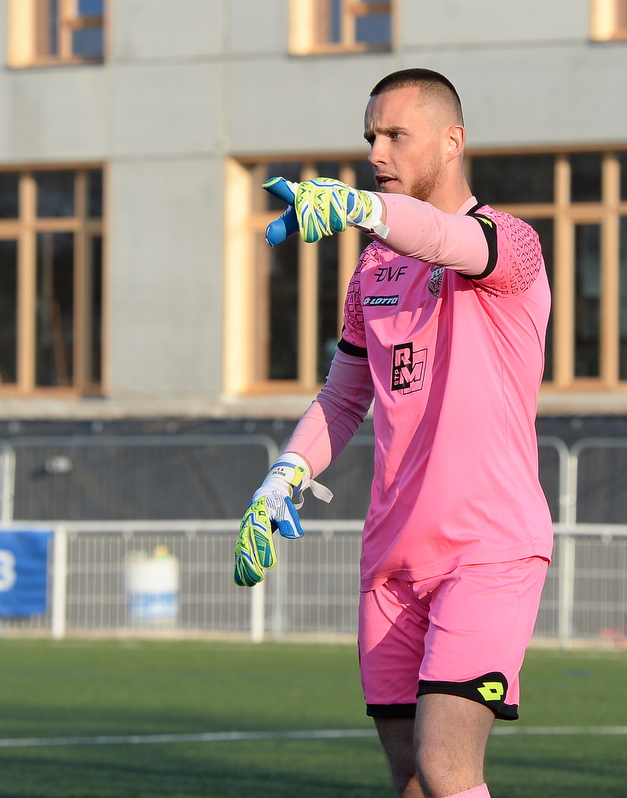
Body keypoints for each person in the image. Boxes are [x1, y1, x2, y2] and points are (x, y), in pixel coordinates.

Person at [234, 68, 553, 798]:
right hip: (391, 559)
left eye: (396, 136)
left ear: (452, 141)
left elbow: (442, 236)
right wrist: (281, 478)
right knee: (411, 777)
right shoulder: (373, 269)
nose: (377, 152)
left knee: (446, 765)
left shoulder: (511, 244)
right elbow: (343, 398)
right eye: (371, 137)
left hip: (487, 549)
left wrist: (359, 207)